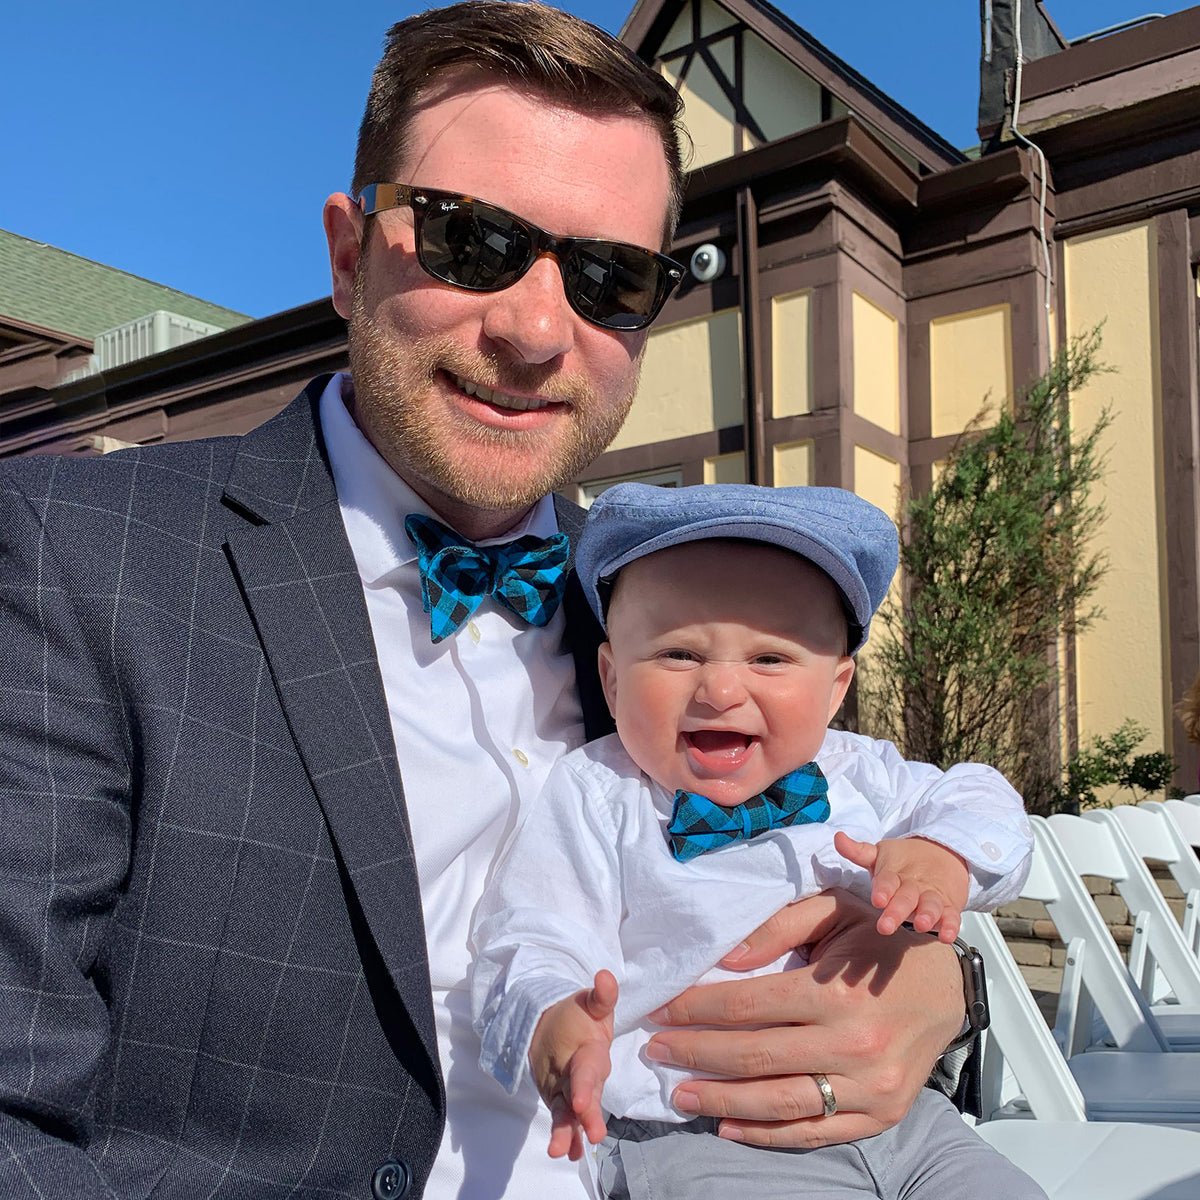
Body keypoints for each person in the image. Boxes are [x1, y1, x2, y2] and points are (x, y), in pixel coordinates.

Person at [0, 4, 1006, 1197]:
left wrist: (940, 987)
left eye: (606, 276)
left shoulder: (681, 609)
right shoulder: (80, 550)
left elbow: (854, 841)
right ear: (347, 253)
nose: (537, 330)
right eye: (470, 241)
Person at [471, 482, 1041, 1200]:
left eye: (770, 659)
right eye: (678, 654)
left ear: (836, 689)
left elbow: (983, 796)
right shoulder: (597, 794)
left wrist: (942, 851)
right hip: (703, 1130)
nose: (720, 690)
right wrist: (553, 1016)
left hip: (905, 1118)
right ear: (611, 678)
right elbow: (531, 931)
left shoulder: (864, 772)